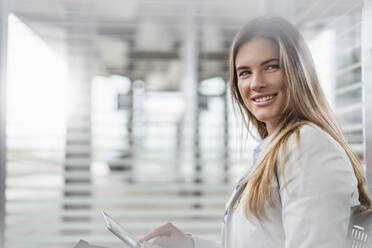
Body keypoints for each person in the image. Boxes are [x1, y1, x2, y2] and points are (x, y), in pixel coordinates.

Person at [138, 16, 371, 248]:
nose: (256, 83)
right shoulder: (277, 148)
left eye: (271, 67)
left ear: (298, 72)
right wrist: (190, 245)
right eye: (245, 73)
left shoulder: (308, 146)